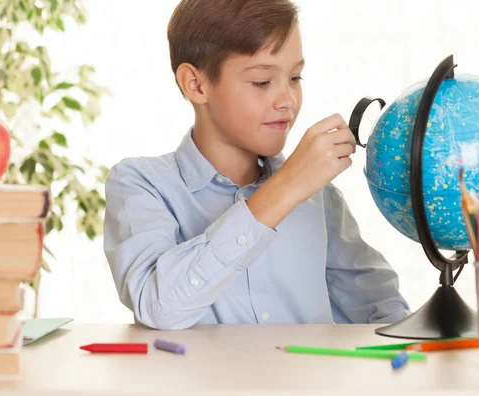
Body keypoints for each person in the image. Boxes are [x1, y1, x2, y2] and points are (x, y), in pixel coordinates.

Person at [103, 0, 409, 330]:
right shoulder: (140, 184)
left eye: (295, 77)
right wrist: (286, 187)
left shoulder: (319, 199)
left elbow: (383, 312)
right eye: (262, 82)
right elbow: (158, 307)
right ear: (196, 84)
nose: (288, 101)